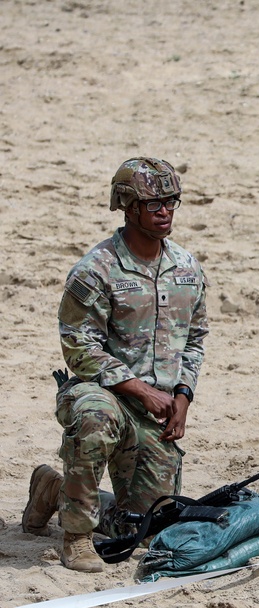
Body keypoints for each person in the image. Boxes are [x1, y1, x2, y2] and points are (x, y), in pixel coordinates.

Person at [21, 157, 209, 572]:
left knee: (144, 528)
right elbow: (78, 346)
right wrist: (139, 389)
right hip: (101, 394)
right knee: (95, 418)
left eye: (171, 202)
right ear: (127, 206)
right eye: (153, 203)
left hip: (157, 408)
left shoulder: (186, 268)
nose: (164, 212)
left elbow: (194, 339)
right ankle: (76, 536)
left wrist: (183, 396)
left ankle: (54, 490)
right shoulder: (96, 270)